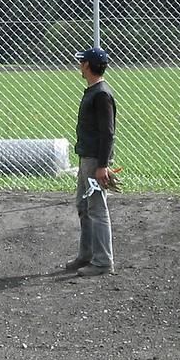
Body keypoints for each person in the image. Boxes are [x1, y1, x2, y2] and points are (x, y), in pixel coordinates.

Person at [66, 46, 117, 277]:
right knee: (84, 206)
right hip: (87, 158)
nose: (79, 65)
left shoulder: (101, 94)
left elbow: (107, 133)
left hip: (94, 160)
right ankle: (86, 254)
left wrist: (102, 165)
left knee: (97, 209)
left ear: (87, 65)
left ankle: (103, 260)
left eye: (82, 62)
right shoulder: (94, 91)